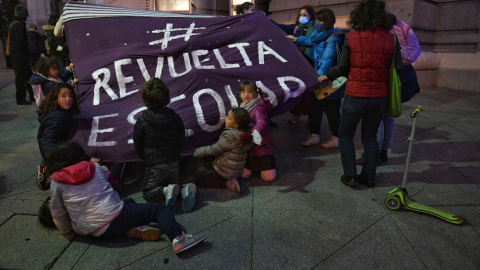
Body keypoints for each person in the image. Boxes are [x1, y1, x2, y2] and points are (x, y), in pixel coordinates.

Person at [38, 141, 206, 255]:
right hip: (113, 218)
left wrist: (67, 232)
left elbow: (57, 213)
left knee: (129, 203)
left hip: (88, 230)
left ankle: (136, 229)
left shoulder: (56, 182)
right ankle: (178, 238)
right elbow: (112, 189)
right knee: (159, 209)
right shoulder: (95, 167)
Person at [320, 0, 403, 188]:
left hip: (355, 96)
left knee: (345, 135)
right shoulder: (392, 39)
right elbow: (398, 69)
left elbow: (342, 68)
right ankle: (369, 177)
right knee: (370, 137)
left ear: (360, 15)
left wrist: (327, 76)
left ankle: (350, 175)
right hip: (379, 97)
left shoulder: (353, 37)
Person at [133, 78, 196, 213]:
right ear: (166, 96)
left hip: (155, 165)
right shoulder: (175, 117)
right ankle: (184, 190)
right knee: (173, 185)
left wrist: (147, 159)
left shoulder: (142, 121)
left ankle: (166, 191)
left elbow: (138, 144)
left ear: (145, 98)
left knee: (149, 194)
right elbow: (181, 139)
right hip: (174, 162)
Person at [287, 9, 345, 148]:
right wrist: (296, 39)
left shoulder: (333, 38)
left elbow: (327, 61)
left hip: (329, 80)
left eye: (320, 20)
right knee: (315, 109)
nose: (317, 22)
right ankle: (314, 135)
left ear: (327, 21)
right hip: (318, 79)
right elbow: (311, 41)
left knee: (332, 111)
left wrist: (317, 77)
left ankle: (336, 137)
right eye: (317, 19)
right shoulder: (319, 34)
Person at [377, 12, 421, 163]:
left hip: (385, 77)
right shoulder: (403, 27)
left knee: (378, 116)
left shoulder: (386, 33)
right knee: (389, 116)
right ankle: (383, 150)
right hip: (400, 76)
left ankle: (375, 152)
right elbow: (414, 51)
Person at [271, 6, 316, 124]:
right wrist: (267, 19)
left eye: (305, 15)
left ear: (311, 16)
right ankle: (296, 115)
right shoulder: (295, 28)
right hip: (297, 65)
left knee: (311, 93)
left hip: (311, 65)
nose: (302, 17)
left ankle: (312, 117)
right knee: (297, 90)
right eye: (300, 15)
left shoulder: (315, 30)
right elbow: (281, 27)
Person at [193, 107, 253, 194]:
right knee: (200, 171)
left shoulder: (230, 136)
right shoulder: (246, 135)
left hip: (226, 170)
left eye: (228, 117)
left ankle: (227, 184)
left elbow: (214, 150)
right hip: (235, 169)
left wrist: (198, 152)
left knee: (199, 181)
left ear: (236, 125)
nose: (226, 119)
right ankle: (230, 179)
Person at [36, 82, 81, 190]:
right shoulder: (57, 117)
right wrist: (54, 161)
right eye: (64, 96)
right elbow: (47, 140)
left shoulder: (64, 112)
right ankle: (47, 172)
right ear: (56, 98)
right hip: (56, 154)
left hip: (60, 148)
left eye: (70, 95)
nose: (68, 99)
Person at [237, 81, 276, 181]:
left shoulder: (258, 107)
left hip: (261, 146)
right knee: (243, 174)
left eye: (249, 92)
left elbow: (261, 122)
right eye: (243, 92)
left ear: (255, 94)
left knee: (269, 177)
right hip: (248, 148)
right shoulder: (242, 107)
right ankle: (252, 166)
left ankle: (263, 166)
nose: (246, 95)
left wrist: (252, 134)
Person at [8, 5, 34, 105]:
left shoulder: (13, 24)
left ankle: (32, 96)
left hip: (17, 55)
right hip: (20, 56)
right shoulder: (19, 25)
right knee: (22, 78)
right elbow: (20, 41)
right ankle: (21, 98)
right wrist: (26, 52)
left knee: (28, 76)